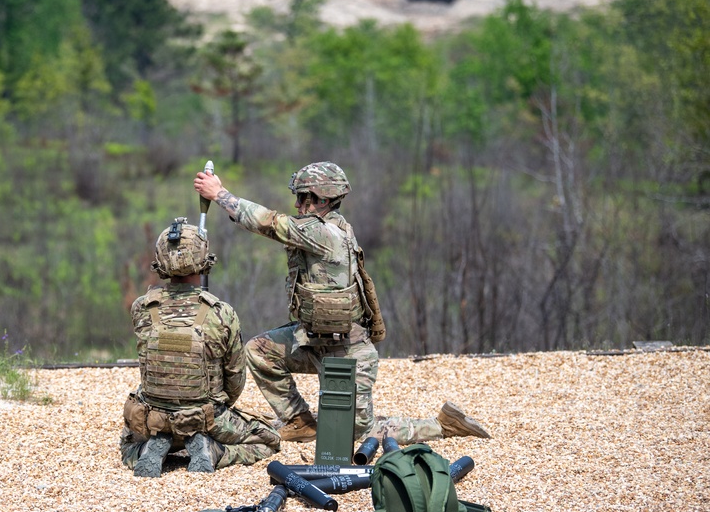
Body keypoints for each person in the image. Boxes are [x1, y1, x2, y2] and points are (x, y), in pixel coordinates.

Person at [194, 161, 491, 445]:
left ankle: (441, 425)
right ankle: (299, 422)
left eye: (303, 198)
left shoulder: (323, 233)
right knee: (259, 352)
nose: (297, 205)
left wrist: (220, 194)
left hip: (347, 352)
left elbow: (268, 223)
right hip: (313, 341)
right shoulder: (328, 227)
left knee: (360, 432)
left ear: (322, 199)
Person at [120, 217, 281, 477]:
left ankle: (155, 446)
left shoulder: (142, 307)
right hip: (205, 417)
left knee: (128, 446)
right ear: (205, 261)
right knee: (269, 439)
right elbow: (235, 381)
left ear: (160, 262)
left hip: (153, 417)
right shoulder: (221, 313)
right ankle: (214, 450)